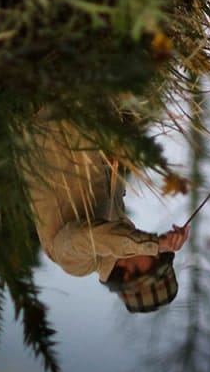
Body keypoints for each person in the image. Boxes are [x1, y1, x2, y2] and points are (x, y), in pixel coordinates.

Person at [21, 109, 190, 313]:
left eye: (156, 262)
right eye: (161, 255)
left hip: (45, 111)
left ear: (128, 276)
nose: (157, 254)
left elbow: (84, 236)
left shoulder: (79, 265)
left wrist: (152, 243)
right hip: (78, 106)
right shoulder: (118, 216)